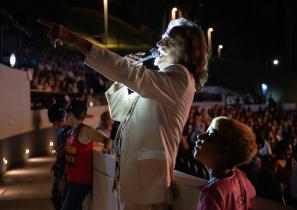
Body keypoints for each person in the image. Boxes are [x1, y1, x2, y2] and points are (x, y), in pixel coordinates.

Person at [41, 17, 208, 210]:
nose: (159, 44)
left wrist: (74, 40)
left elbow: (129, 73)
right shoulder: (159, 83)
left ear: (187, 48)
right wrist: (121, 80)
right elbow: (119, 111)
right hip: (135, 184)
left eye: (168, 39)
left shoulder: (180, 79)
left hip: (148, 187)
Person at [194, 116, 257, 210]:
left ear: (223, 151)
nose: (200, 136)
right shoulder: (239, 176)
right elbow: (252, 193)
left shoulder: (211, 194)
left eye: (210, 134)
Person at [62, 100, 107, 210]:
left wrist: (107, 151)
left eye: (65, 114)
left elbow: (107, 141)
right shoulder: (71, 132)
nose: (64, 117)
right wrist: (64, 175)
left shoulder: (85, 130)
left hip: (81, 183)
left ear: (71, 114)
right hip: (72, 181)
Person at [47, 103, 72, 210]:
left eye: (54, 122)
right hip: (60, 170)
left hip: (66, 173)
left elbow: (70, 155)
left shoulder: (70, 132)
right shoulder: (62, 131)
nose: (54, 125)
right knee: (56, 197)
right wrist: (56, 163)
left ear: (61, 119)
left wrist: (64, 175)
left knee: (62, 199)